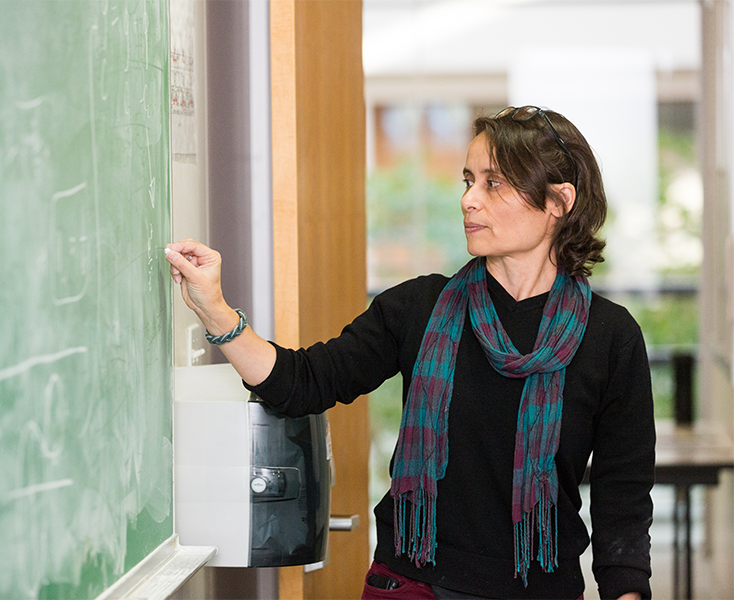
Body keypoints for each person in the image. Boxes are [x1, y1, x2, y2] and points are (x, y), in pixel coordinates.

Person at [165, 106, 655, 600]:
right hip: (412, 584)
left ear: (558, 200)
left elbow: (624, 498)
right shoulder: (418, 308)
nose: (469, 200)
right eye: (468, 180)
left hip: (541, 589)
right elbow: (302, 383)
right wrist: (216, 311)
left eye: (494, 183)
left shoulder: (610, 337)